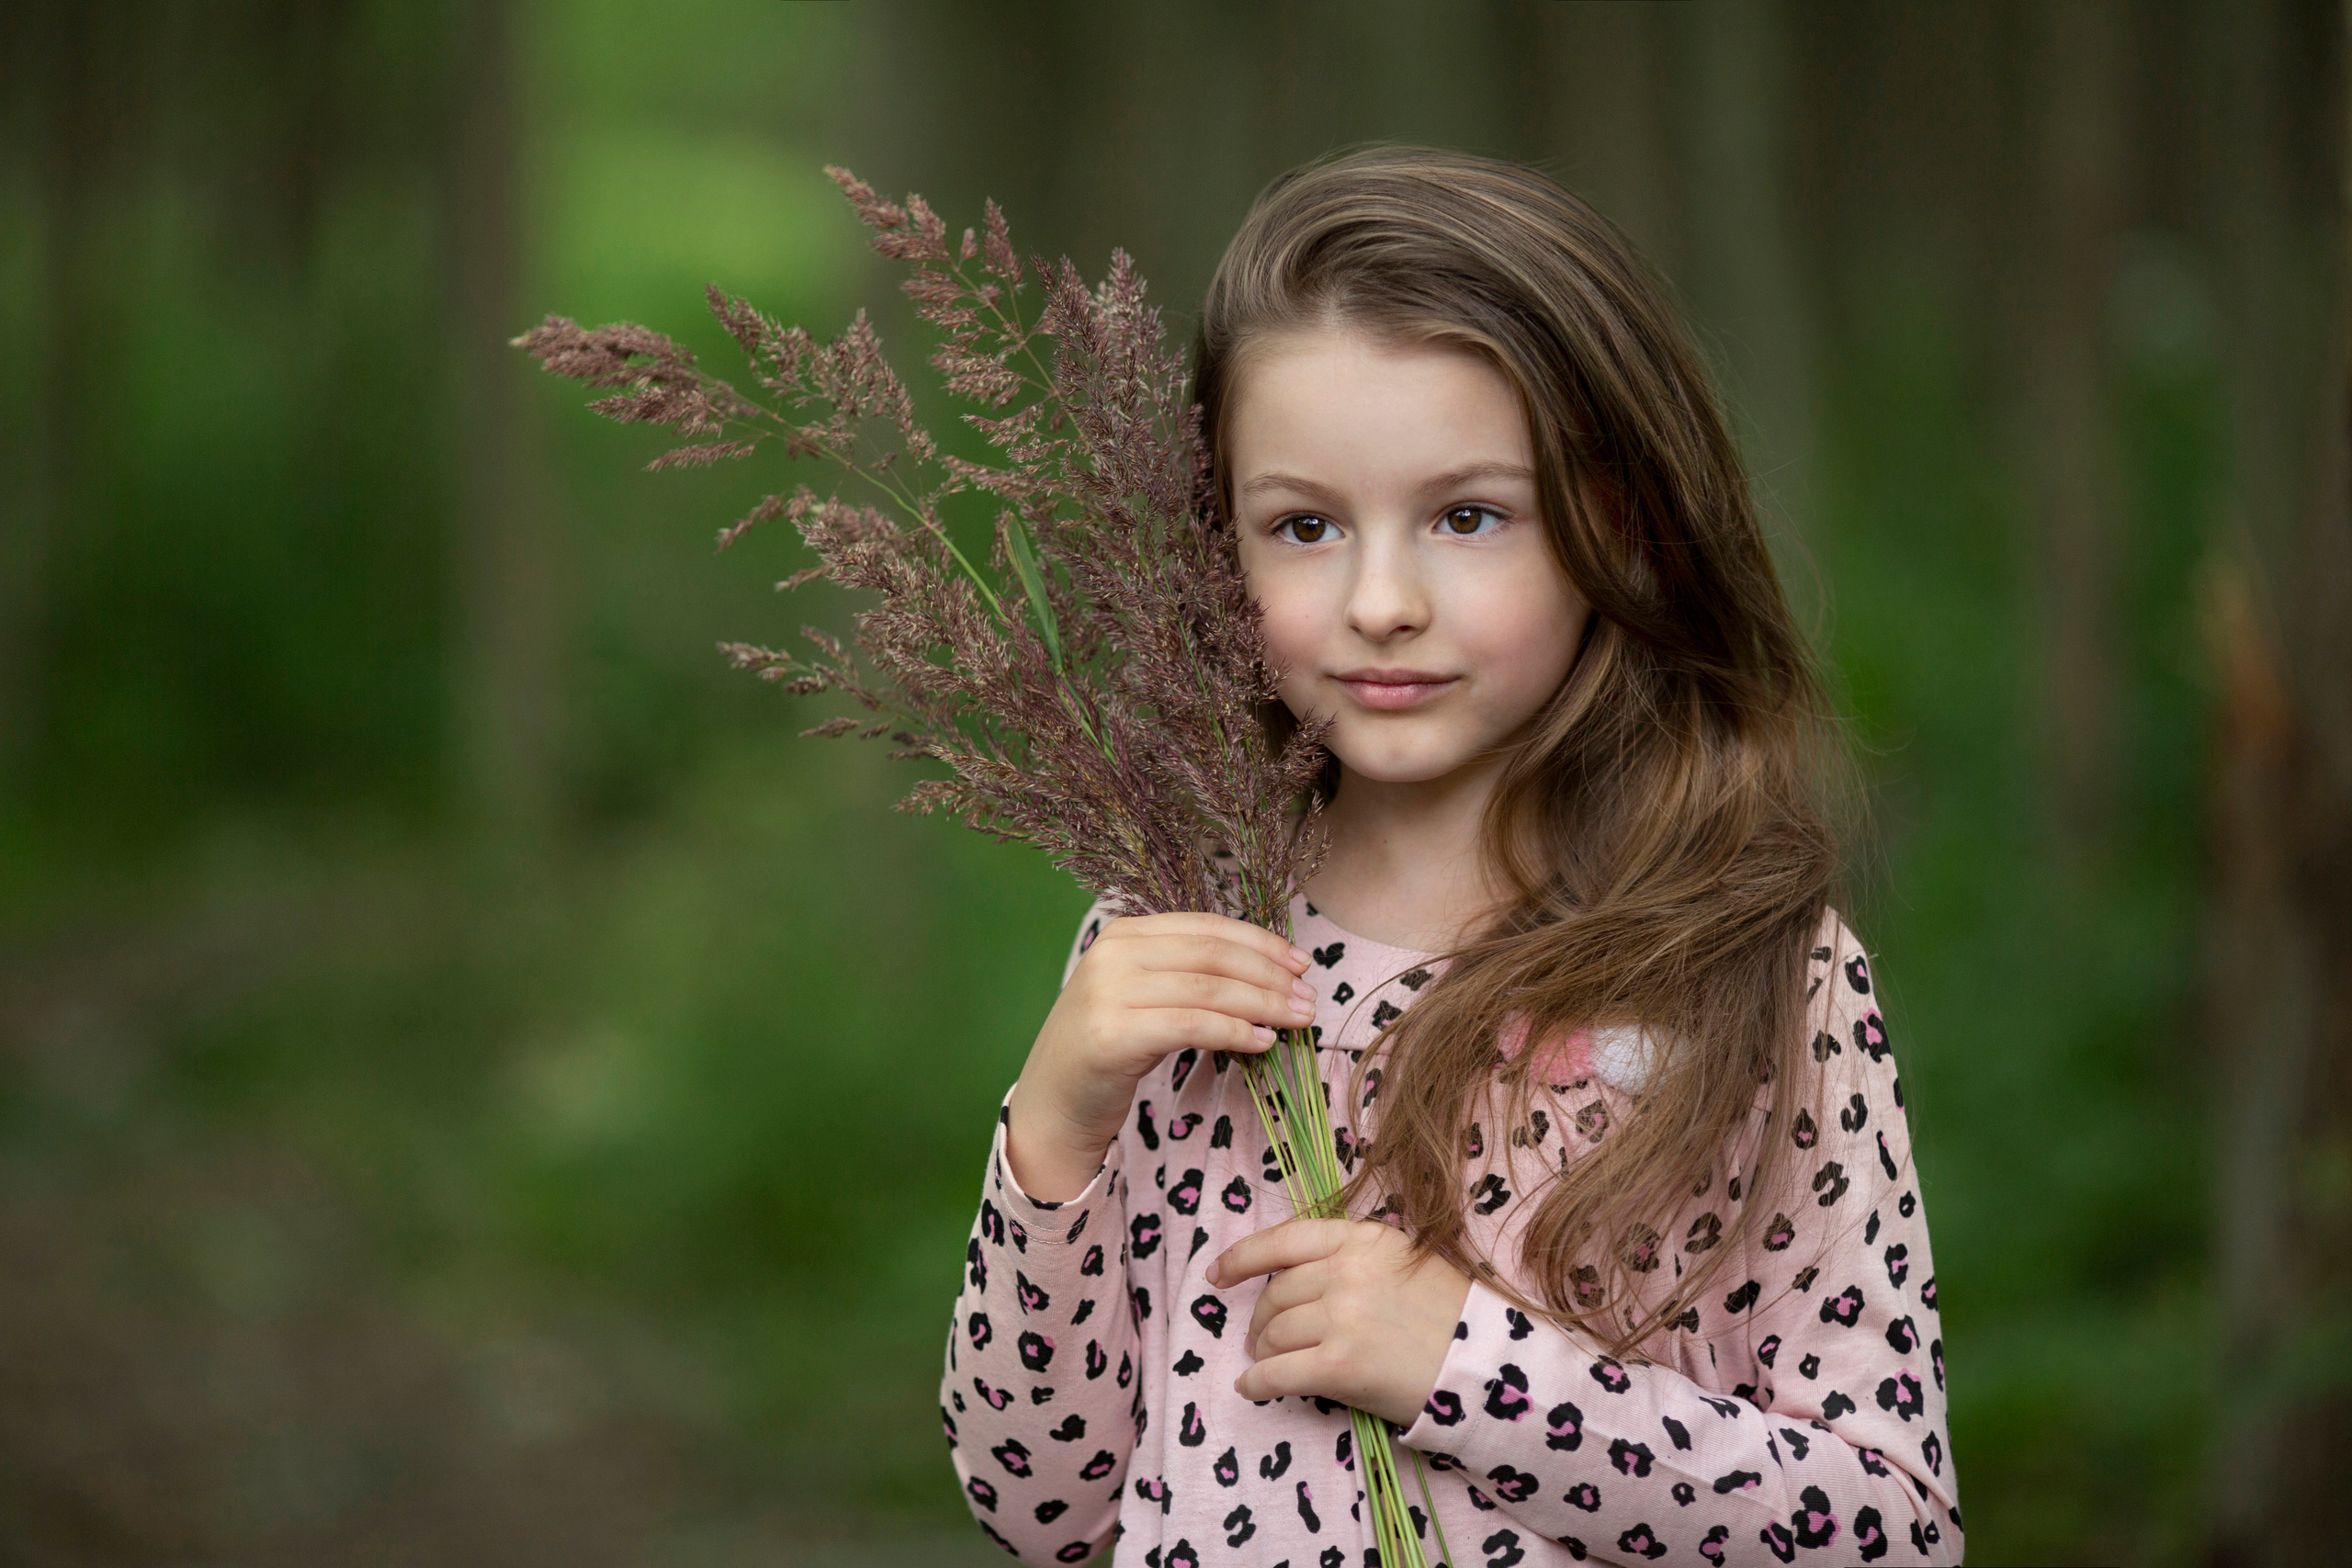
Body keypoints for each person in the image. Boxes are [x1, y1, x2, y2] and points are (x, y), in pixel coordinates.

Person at [941, 147, 1959, 1567]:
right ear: (1216, 551)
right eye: (1302, 526)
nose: (1380, 601)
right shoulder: (1184, 937)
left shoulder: (1753, 973)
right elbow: (1044, 1507)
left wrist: (1471, 1374)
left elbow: (1887, 1530)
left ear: (1620, 524)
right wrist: (1055, 1133)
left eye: (1468, 515)